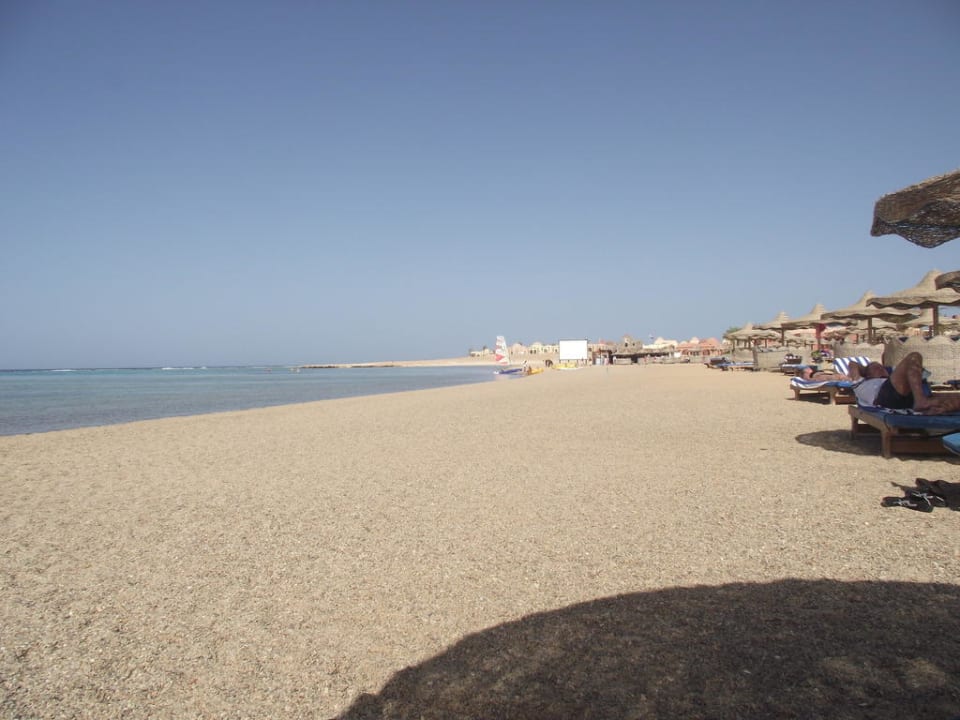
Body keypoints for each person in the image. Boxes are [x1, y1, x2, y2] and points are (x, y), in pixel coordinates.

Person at [849, 352, 960, 415]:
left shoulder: (894, 379)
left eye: (881, 367)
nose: (881, 368)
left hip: (906, 400)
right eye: (876, 368)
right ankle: (921, 401)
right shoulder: (861, 383)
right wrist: (867, 370)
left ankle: (934, 408)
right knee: (914, 356)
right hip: (885, 396)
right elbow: (852, 364)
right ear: (868, 375)